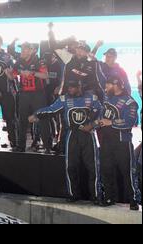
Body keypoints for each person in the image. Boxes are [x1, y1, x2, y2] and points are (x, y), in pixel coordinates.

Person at [29, 80, 102, 204]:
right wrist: (37, 114)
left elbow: (101, 113)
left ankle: (96, 196)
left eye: (73, 87)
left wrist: (92, 125)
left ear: (80, 86)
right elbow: (51, 109)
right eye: (69, 87)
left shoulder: (92, 98)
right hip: (72, 134)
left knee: (93, 167)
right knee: (71, 166)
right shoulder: (64, 99)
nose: (70, 90)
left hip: (88, 135)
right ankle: (73, 194)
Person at [99, 77, 141, 210]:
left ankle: (133, 200)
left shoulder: (130, 102)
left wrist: (111, 122)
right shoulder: (107, 98)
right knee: (106, 170)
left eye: (108, 84)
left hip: (122, 142)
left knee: (127, 172)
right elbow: (102, 115)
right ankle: (109, 197)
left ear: (116, 85)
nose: (106, 87)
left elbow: (130, 122)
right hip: (106, 142)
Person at [12, 42, 51, 153]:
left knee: (42, 119)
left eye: (25, 49)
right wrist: (9, 73)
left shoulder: (40, 61)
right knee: (22, 120)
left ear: (31, 50)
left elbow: (45, 75)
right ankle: (21, 146)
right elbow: (12, 75)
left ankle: (48, 147)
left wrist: (32, 73)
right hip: (24, 94)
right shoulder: (19, 61)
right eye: (22, 49)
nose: (22, 51)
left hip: (38, 94)